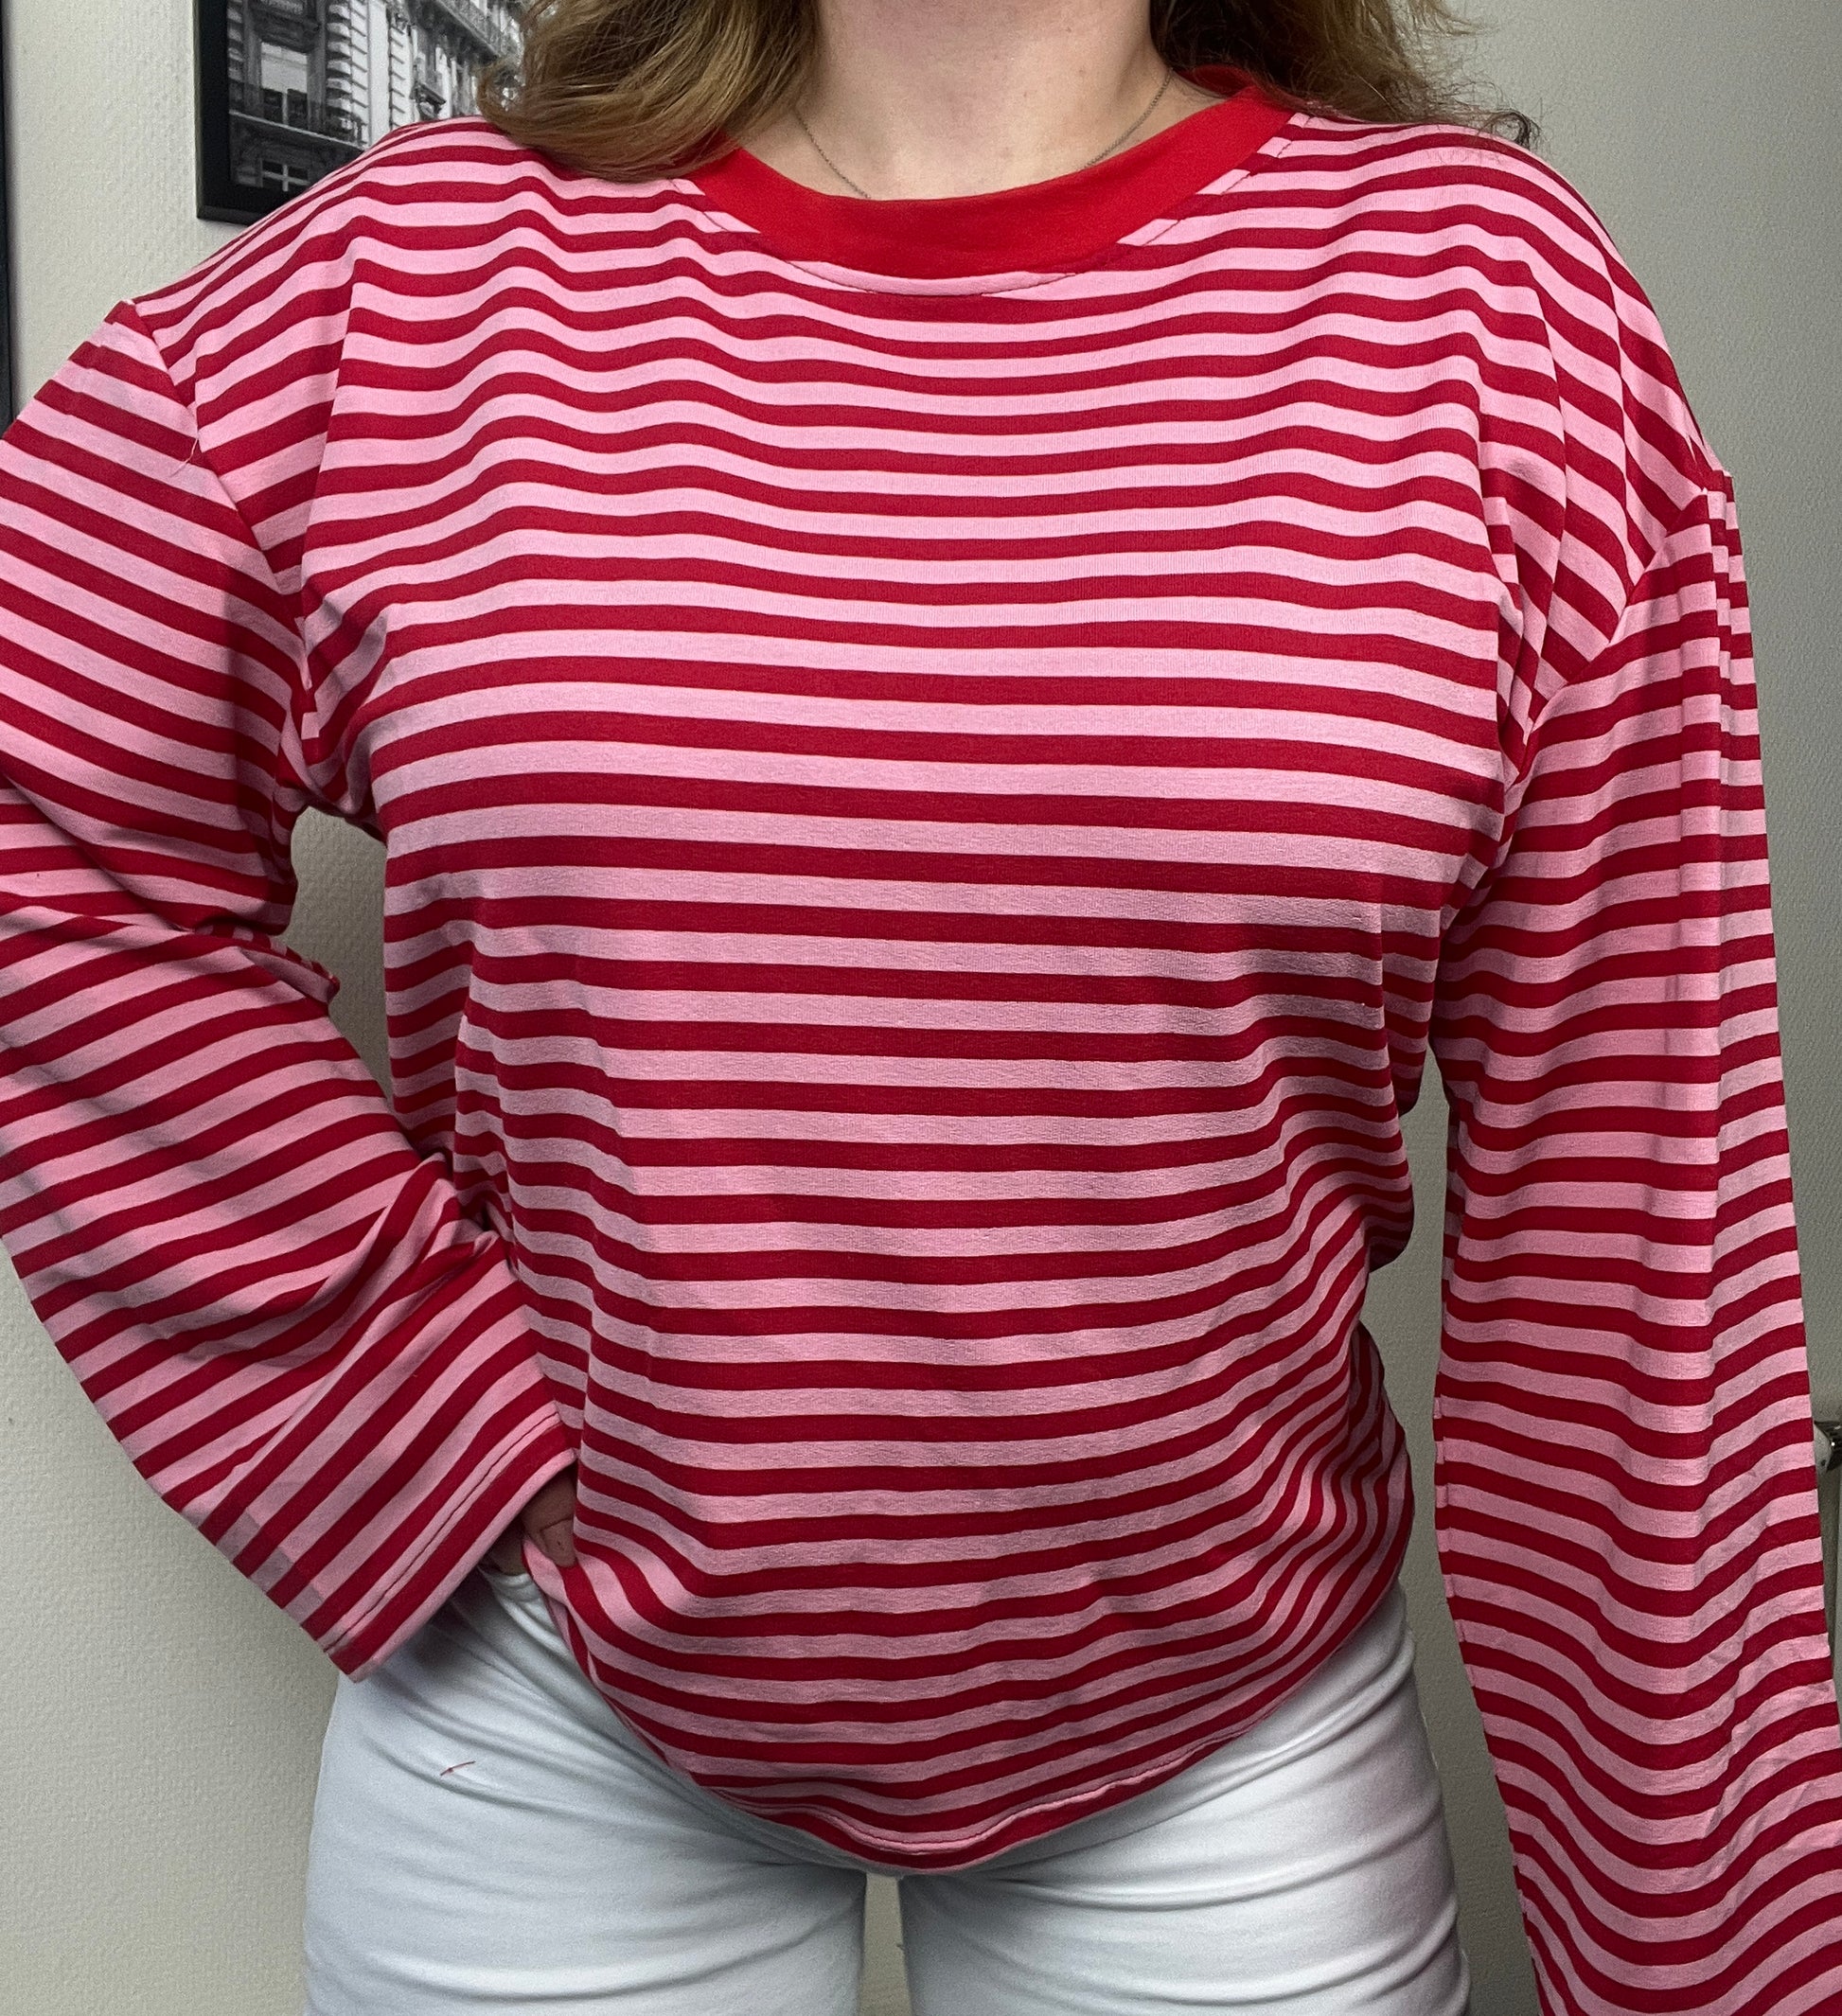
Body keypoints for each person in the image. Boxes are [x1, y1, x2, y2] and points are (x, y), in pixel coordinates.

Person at [2, 1, 1838, 2010]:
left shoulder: (1484, 307)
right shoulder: (409, 279)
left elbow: (1634, 1237)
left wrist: (1701, 1962)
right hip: (550, 1701)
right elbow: (47, 820)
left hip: (1230, 1735)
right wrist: (406, 1404)